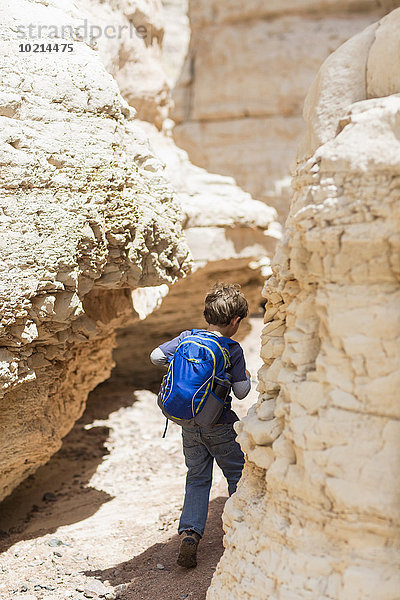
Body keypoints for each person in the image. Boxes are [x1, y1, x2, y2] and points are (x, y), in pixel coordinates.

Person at [150, 283, 251, 568]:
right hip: (219, 423)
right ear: (235, 321)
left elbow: (156, 356)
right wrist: (241, 375)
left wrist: (181, 368)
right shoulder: (231, 348)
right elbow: (242, 392)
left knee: (197, 477)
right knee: (237, 473)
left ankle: (190, 534)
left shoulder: (187, 337)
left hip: (189, 425)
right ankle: (244, 528)